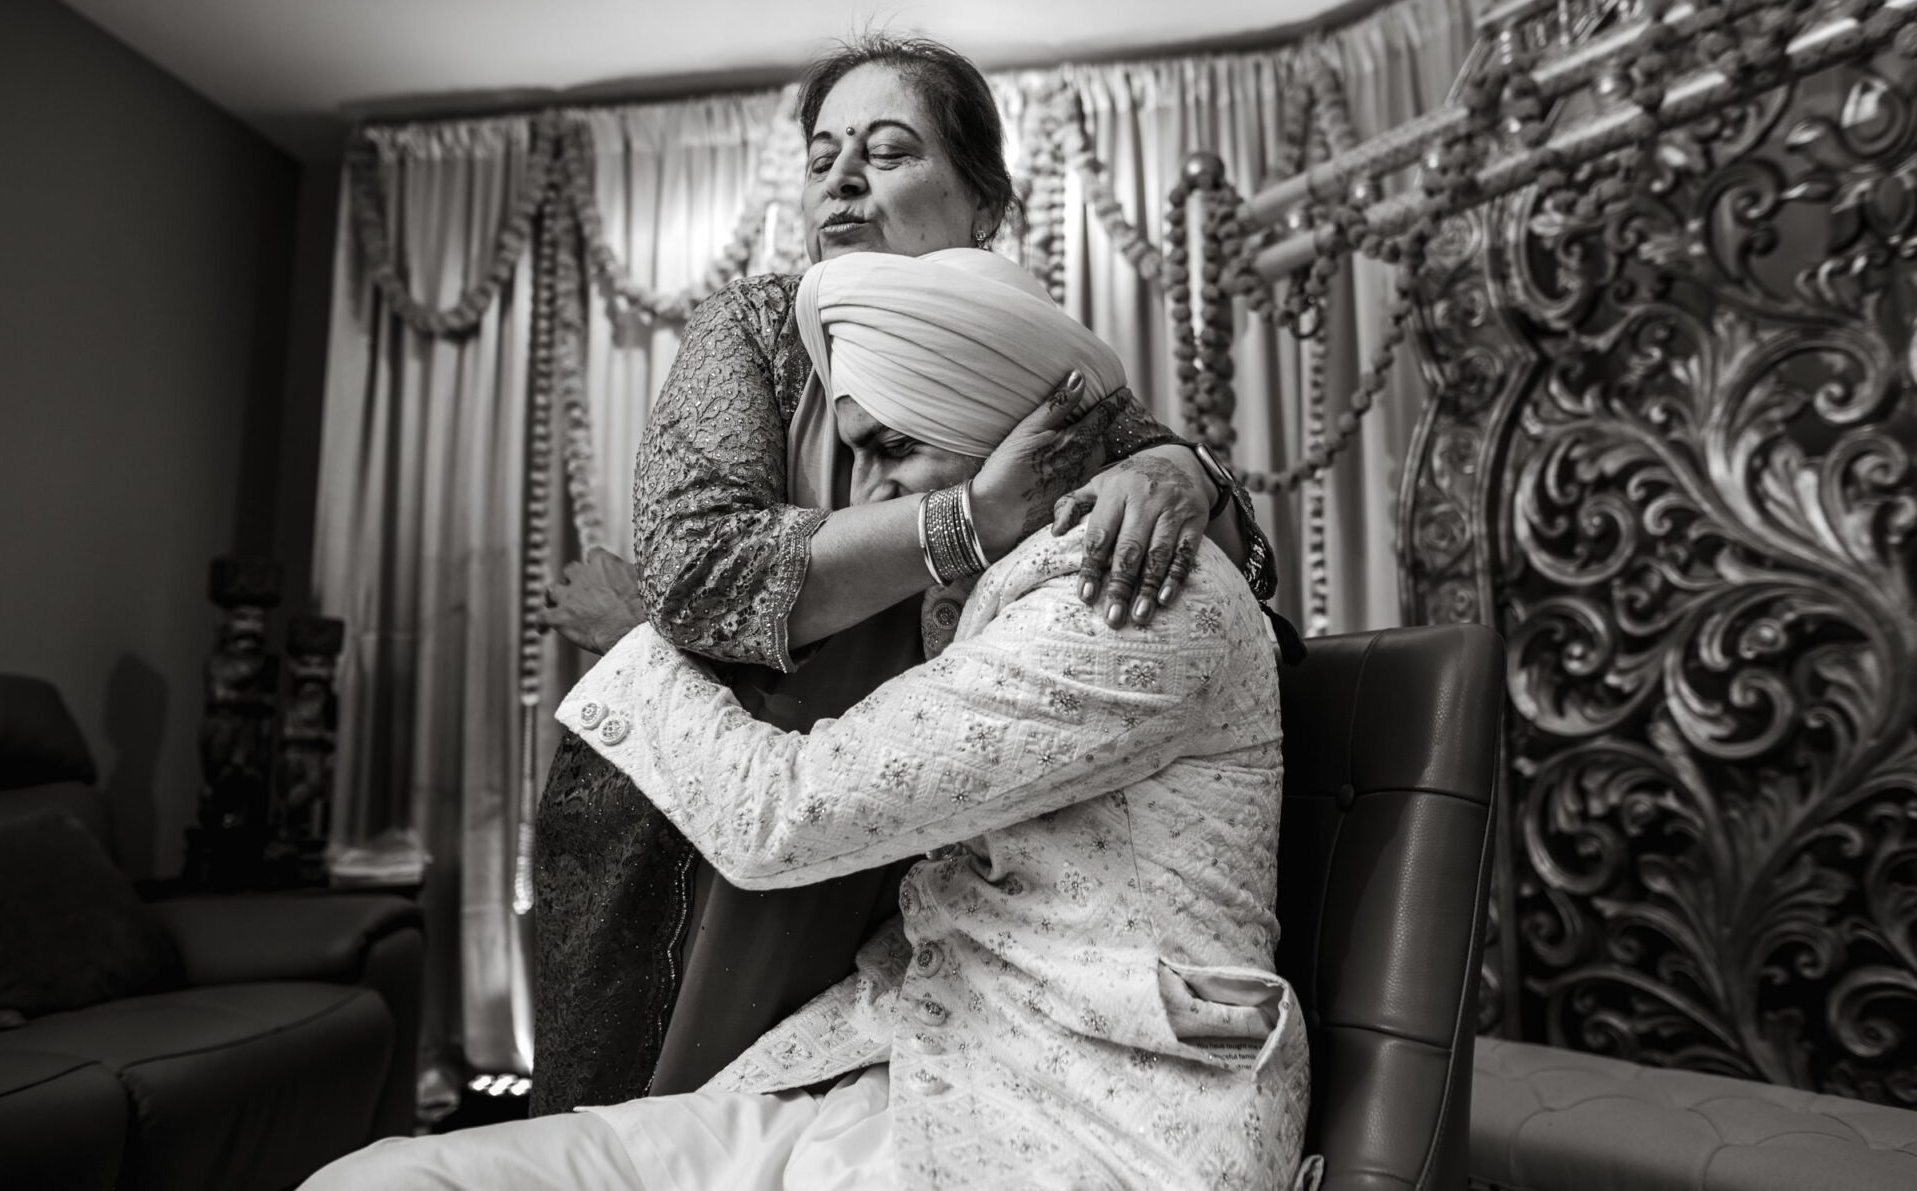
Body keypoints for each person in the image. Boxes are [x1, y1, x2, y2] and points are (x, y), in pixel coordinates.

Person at [305, 245, 1307, 1191]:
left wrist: (635, 636)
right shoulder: (993, 592)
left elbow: (785, 814)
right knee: (375, 1179)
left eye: (894, 448)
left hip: (1093, 1118)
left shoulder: (1126, 591)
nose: (865, 496)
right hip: (912, 1063)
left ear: (1005, 431)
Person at [531, 33, 1285, 1115]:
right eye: (822, 156)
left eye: (887, 152)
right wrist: (966, 522)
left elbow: (1234, 571)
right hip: (710, 813)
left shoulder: (1031, 363)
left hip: (924, 834)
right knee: (638, 1133)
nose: (842, 178)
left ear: (985, 204)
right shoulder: (760, 330)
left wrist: (1185, 469)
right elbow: (697, 573)